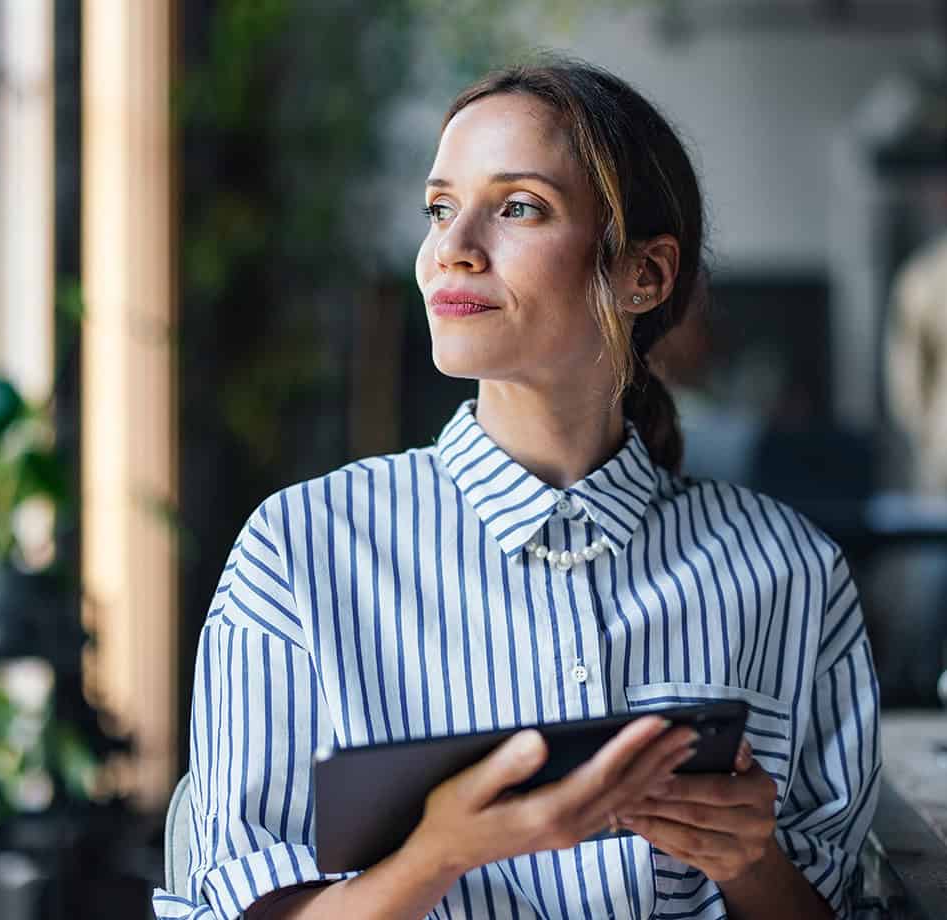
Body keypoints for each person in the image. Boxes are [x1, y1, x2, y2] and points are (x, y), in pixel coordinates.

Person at [153, 57, 880, 920]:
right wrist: (441, 854)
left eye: (519, 208)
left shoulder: (790, 572)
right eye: (439, 208)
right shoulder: (300, 550)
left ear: (643, 275)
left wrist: (746, 860)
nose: (452, 249)